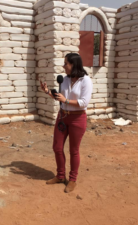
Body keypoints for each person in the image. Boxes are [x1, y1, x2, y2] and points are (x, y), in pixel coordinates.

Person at [40, 53, 93, 193]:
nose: (63, 66)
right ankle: (60, 176)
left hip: (77, 119)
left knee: (73, 151)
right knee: (57, 147)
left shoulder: (85, 81)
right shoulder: (64, 80)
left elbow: (83, 103)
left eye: (66, 64)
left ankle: (72, 180)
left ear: (74, 65)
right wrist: (47, 92)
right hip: (62, 117)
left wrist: (66, 101)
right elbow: (60, 97)